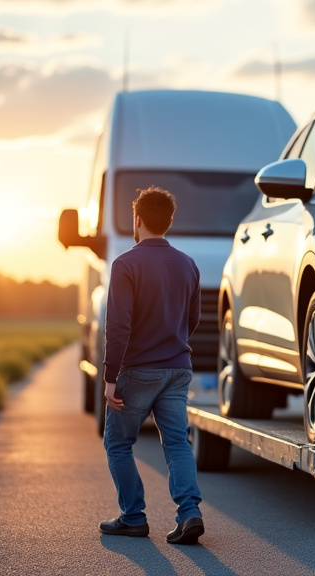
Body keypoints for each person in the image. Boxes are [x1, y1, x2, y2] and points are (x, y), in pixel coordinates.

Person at [99, 186, 205, 545]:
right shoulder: (188, 264)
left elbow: (118, 326)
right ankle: (189, 513)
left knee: (118, 443)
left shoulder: (126, 264)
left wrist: (110, 376)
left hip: (138, 371)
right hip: (178, 368)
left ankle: (133, 517)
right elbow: (192, 321)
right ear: (169, 222)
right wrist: (172, 346)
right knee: (177, 442)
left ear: (138, 219)